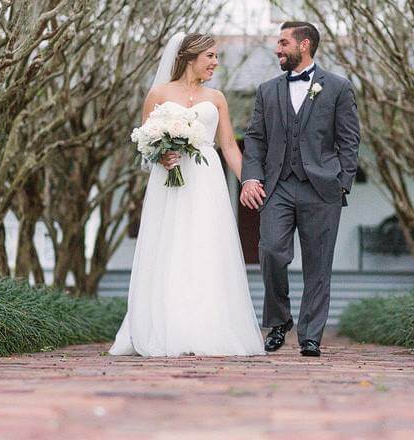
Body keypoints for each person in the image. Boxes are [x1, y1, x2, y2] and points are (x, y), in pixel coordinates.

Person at [109, 32, 265, 357]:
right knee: (170, 246)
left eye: (216, 56)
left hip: (207, 179)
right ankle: (167, 325)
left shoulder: (217, 97)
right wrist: (159, 155)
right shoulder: (158, 94)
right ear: (190, 56)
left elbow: (230, 148)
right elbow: (143, 143)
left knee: (205, 248)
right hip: (169, 181)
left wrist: (249, 180)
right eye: (210, 56)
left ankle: (207, 326)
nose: (215, 63)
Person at [239, 21, 361, 357]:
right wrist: (251, 177)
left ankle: (311, 335)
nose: (277, 49)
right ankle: (279, 320)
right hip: (277, 186)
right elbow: (255, 138)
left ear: (303, 45)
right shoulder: (267, 90)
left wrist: (342, 183)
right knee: (272, 252)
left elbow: (349, 140)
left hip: (322, 189)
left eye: (283, 43)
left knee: (318, 264)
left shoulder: (337, 87)